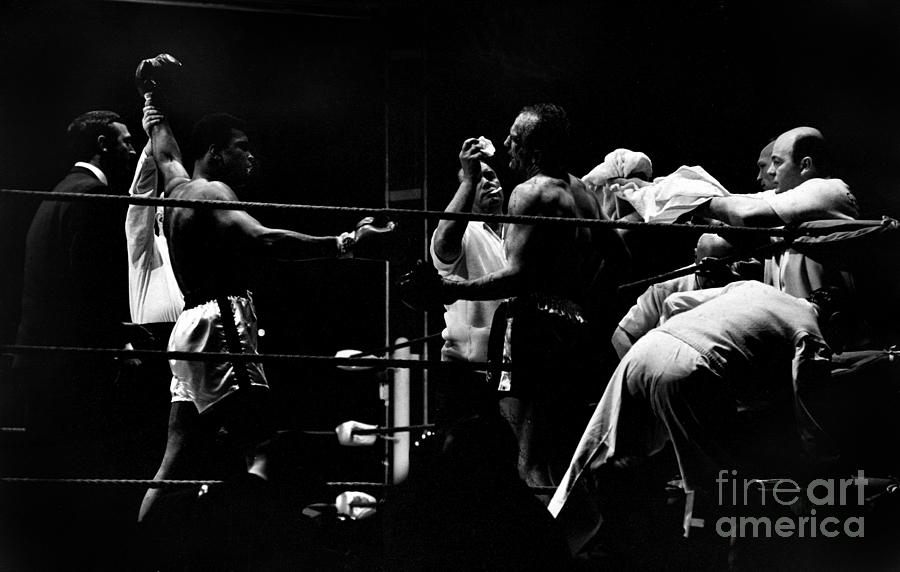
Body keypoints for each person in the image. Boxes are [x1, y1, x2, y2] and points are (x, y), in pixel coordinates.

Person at [135, 54, 395, 523]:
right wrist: (346, 242)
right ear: (215, 152)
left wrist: (152, 97)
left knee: (175, 460)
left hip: (190, 330)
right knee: (258, 448)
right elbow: (264, 239)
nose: (250, 155)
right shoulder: (214, 194)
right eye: (241, 146)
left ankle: (141, 547)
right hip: (220, 328)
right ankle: (252, 542)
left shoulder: (177, 189)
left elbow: (164, 150)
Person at [549, 281, 852, 555]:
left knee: (596, 455)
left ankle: (555, 542)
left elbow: (676, 302)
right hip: (693, 369)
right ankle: (698, 557)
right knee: (712, 486)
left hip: (649, 346)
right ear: (836, 320)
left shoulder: (755, 287)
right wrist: (825, 464)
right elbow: (810, 411)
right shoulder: (810, 332)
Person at [428, 103, 628, 488]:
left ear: (535, 152)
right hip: (572, 332)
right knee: (556, 456)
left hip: (530, 331)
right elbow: (621, 258)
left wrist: (456, 289)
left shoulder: (528, 194)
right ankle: (574, 539)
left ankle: (550, 545)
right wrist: (582, 305)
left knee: (527, 462)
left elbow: (520, 278)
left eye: (515, 140)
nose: (506, 145)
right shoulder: (583, 192)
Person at [698, 126, 858, 299]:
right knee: (675, 299)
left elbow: (745, 213)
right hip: (789, 310)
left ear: (805, 165)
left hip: (810, 315)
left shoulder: (827, 189)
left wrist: (694, 200)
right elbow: (737, 203)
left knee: (679, 303)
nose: (770, 172)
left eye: (777, 162)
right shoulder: (792, 200)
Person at [429, 137, 506, 421]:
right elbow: (445, 240)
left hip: (511, 371)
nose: (487, 182)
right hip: (465, 373)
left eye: (491, 175)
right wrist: (468, 179)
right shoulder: (465, 234)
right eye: (478, 180)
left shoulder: (517, 235)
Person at [610, 233, 742, 359]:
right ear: (696, 257)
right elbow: (621, 336)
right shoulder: (667, 288)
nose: (714, 275)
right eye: (708, 269)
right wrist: (637, 376)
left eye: (722, 268)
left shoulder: (742, 287)